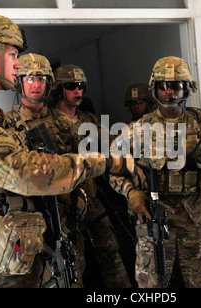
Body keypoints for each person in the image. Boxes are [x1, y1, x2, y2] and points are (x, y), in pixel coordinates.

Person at [0, 12, 138, 288]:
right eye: (11, 55)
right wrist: (103, 162)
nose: (18, 65)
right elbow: (23, 172)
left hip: (8, 257)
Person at [110, 56, 201, 288]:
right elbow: (115, 168)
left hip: (197, 228)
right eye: (163, 86)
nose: (170, 92)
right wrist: (132, 193)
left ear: (186, 89)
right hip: (154, 226)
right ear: (154, 90)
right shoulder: (137, 129)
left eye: (176, 86)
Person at [8, 53, 90, 288]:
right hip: (28, 226)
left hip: (65, 223)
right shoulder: (6, 125)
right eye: (30, 78)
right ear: (19, 82)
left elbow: (83, 165)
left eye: (42, 79)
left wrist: (82, 196)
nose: (36, 85)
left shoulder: (63, 123)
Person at [53, 64, 133, 288]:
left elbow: (112, 144)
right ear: (59, 89)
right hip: (64, 199)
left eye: (81, 86)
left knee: (110, 247)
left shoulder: (88, 120)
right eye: (71, 86)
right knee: (71, 258)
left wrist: (134, 136)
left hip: (91, 195)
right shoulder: (50, 121)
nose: (78, 91)